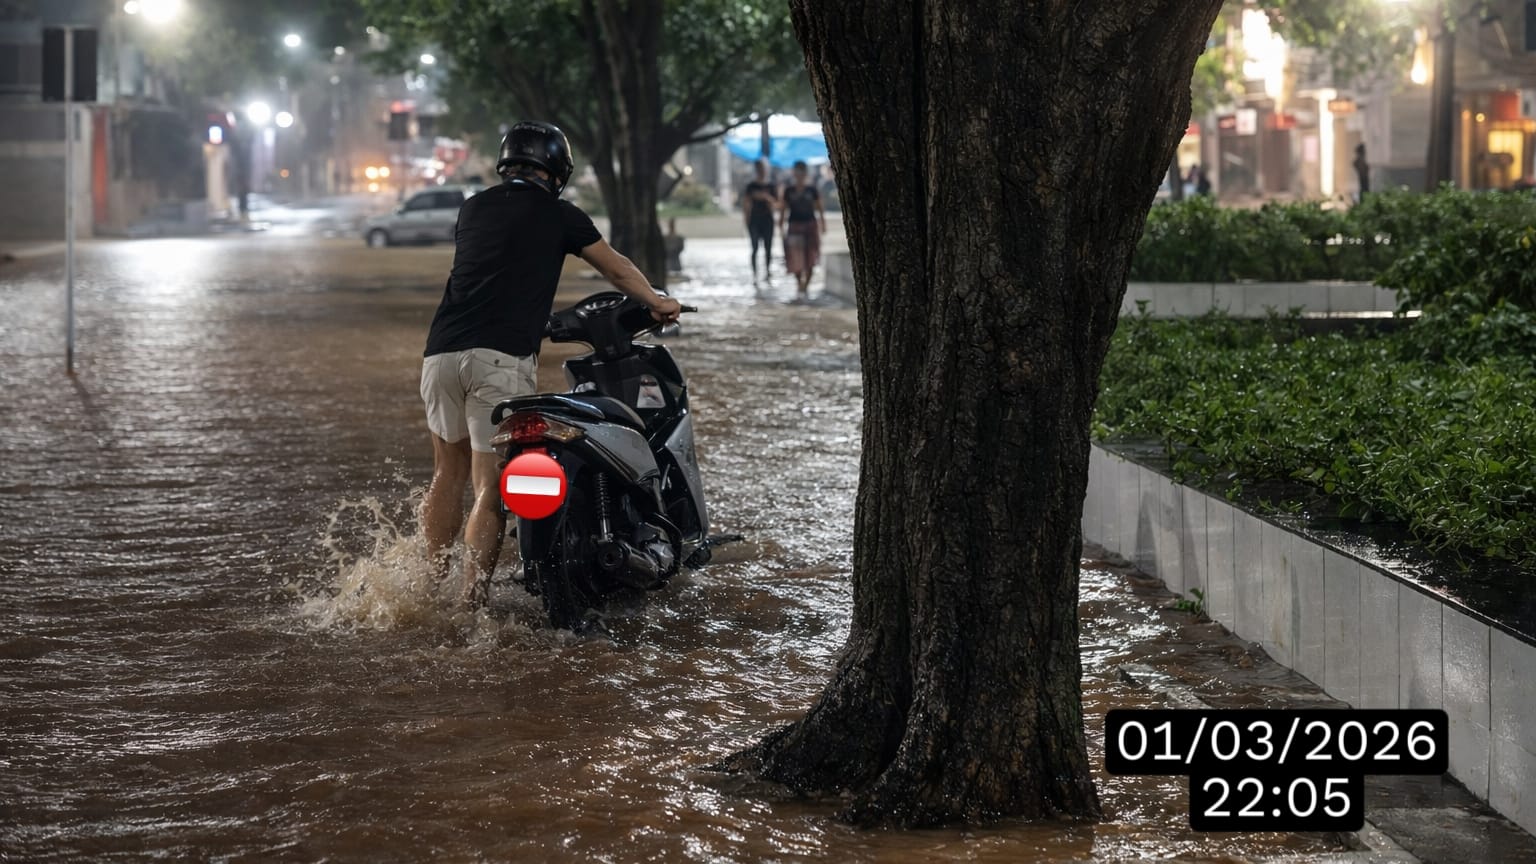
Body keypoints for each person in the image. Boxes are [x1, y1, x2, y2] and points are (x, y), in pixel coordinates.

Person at [419, 120, 682, 601]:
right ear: (557, 170)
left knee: (447, 473)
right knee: (489, 487)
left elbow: (494, 269)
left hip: (439, 354)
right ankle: (469, 603)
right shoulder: (560, 214)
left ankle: (427, 589)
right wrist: (659, 302)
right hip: (498, 359)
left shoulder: (472, 208)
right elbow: (617, 269)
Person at [780, 160, 826, 301]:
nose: (799, 174)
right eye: (797, 171)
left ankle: (806, 286)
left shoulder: (812, 190)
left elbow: (819, 208)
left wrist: (823, 224)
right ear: (794, 173)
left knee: (811, 257)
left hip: (810, 225)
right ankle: (799, 283)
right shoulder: (789, 191)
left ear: (805, 173)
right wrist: (780, 226)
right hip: (794, 226)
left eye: (802, 171)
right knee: (795, 258)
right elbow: (783, 209)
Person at [742, 159, 778, 282]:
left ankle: (768, 271)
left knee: (768, 248)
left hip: (767, 219)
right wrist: (746, 220)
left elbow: (777, 203)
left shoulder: (771, 186)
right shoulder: (751, 186)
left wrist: (766, 198)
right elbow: (746, 203)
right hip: (754, 220)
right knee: (755, 247)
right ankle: (755, 273)